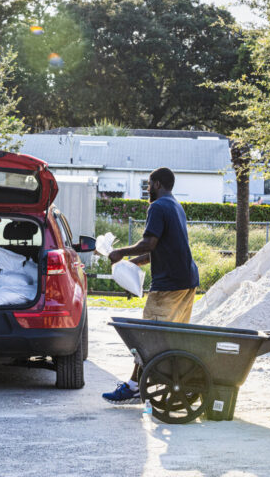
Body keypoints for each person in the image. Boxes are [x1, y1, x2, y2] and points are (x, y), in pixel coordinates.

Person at [102, 167, 200, 404]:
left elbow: (149, 243)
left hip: (168, 286)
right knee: (171, 340)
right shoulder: (176, 206)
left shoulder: (157, 206)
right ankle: (177, 381)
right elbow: (158, 250)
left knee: (149, 338)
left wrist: (119, 252)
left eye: (148, 184)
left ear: (157, 184)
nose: (147, 189)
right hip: (187, 282)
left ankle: (134, 387)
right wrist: (130, 267)